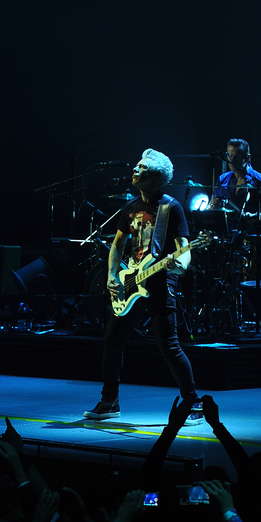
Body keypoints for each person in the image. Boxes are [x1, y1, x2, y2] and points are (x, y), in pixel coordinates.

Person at [85, 148, 200, 422]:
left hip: (160, 282)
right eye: (136, 166)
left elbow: (184, 248)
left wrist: (180, 266)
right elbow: (117, 244)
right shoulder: (131, 207)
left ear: (157, 177)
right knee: (113, 342)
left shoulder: (171, 207)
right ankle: (109, 401)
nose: (135, 170)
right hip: (131, 282)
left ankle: (193, 404)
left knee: (169, 346)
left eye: (142, 167)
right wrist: (112, 276)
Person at [210, 137, 261, 231]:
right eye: (229, 156)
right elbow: (213, 204)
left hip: (251, 233)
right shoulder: (222, 179)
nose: (232, 160)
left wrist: (256, 216)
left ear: (247, 157)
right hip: (226, 233)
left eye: (237, 157)